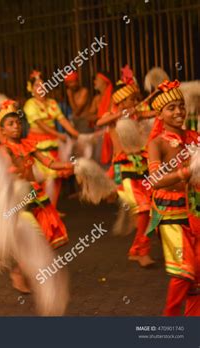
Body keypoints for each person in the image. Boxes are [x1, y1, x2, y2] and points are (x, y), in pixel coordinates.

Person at [0, 100, 73, 292]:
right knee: (35, 237)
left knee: (49, 236)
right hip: (19, 196)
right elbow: (7, 169)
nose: (16, 127)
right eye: (10, 124)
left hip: (36, 193)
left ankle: (23, 270)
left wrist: (67, 165)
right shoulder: (3, 149)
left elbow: (48, 162)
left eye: (18, 123)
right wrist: (13, 169)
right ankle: (19, 273)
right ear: (3, 130)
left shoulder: (28, 145)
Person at [146, 80, 199, 315]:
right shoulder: (156, 143)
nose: (178, 111)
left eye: (181, 106)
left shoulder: (195, 137)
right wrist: (186, 172)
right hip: (169, 211)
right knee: (183, 269)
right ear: (159, 114)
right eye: (171, 108)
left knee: (197, 273)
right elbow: (154, 180)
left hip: (194, 208)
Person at [96, 66, 155, 267]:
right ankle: (141, 251)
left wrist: (167, 104)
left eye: (137, 99)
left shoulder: (137, 114)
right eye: (132, 99)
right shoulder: (114, 118)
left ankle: (137, 250)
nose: (136, 102)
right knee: (143, 207)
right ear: (121, 101)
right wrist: (121, 113)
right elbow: (99, 121)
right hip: (124, 171)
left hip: (141, 169)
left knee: (148, 210)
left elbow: (155, 112)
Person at [23, 70, 79, 208]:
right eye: (37, 85)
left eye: (42, 84)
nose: (41, 88)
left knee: (56, 176)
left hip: (53, 143)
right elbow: (41, 126)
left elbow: (63, 120)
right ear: (31, 89)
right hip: (38, 144)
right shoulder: (30, 104)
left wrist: (77, 135)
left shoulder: (52, 103)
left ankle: (51, 206)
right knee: (45, 176)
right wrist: (59, 134)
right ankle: (43, 206)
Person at [84, 71, 114, 164]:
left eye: (97, 79)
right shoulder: (96, 98)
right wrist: (100, 119)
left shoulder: (113, 97)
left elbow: (110, 116)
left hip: (109, 130)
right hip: (98, 130)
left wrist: (99, 119)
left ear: (105, 81)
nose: (94, 82)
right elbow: (88, 116)